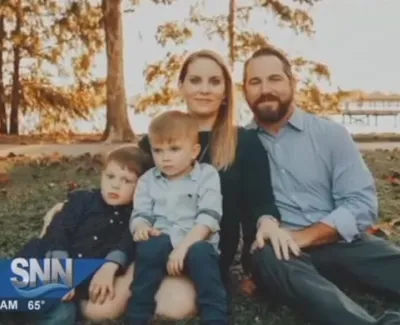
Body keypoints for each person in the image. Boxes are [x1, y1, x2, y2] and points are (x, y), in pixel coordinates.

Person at [41, 49, 298, 321]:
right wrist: (74, 206)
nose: (204, 89)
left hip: (201, 253)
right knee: (99, 309)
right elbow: (124, 188)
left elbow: (261, 204)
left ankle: (91, 284)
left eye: (214, 82)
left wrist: (267, 224)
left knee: (173, 307)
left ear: (225, 92)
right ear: (181, 86)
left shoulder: (243, 142)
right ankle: (46, 288)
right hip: (152, 245)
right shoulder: (161, 137)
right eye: (195, 80)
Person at [242, 46, 400, 325]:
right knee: (268, 256)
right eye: (255, 81)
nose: (265, 88)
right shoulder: (239, 145)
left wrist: (306, 236)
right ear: (244, 90)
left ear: (292, 83)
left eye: (275, 79)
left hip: (338, 241)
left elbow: (361, 205)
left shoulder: (331, 135)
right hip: (281, 254)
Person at [15, 145, 150, 325]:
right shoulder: (82, 200)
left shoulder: (135, 217)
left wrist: (110, 267)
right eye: (110, 176)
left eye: (126, 180)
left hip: (74, 290)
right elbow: (58, 230)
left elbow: (126, 244)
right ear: (102, 175)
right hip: (46, 264)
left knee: (63, 316)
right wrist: (60, 274)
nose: (115, 185)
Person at [128, 110, 227, 325]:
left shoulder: (207, 175)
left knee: (203, 253)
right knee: (149, 247)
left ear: (194, 151)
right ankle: (137, 314)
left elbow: (208, 219)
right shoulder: (148, 180)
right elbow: (140, 213)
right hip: (161, 243)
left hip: (194, 243)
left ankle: (215, 316)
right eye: (158, 150)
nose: (165, 157)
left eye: (174, 149)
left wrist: (182, 249)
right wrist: (142, 226)